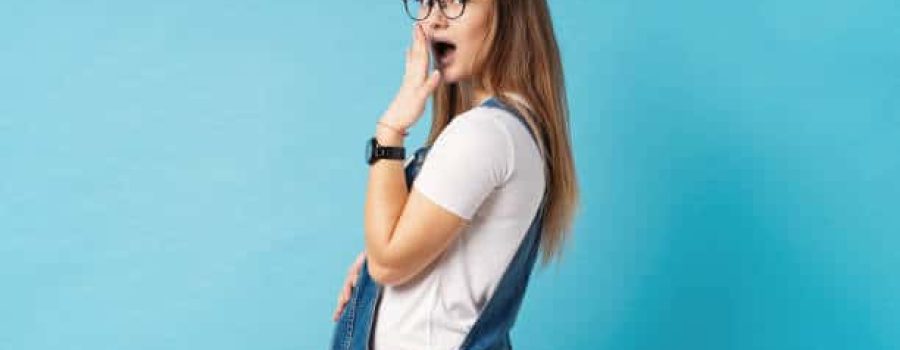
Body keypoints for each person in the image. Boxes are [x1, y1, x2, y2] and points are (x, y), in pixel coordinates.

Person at [333, 0, 579, 348]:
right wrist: (372, 284)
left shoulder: (486, 132)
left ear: (509, 11)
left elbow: (389, 262)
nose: (433, 21)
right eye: (426, 3)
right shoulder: (508, 130)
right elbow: (400, 261)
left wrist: (390, 131)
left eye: (453, 3)